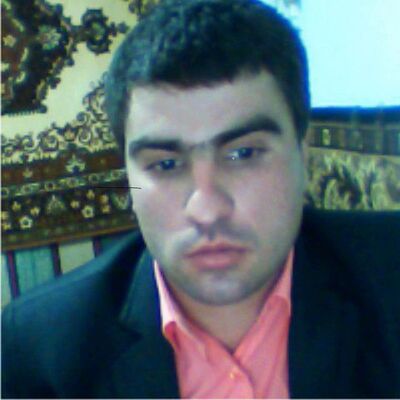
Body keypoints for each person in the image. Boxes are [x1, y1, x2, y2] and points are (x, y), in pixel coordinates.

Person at [2, 0, 400, 398]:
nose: (206, 209)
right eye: (166, 164)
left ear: (302, 149)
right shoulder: (42, 347)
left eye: (243, 154)